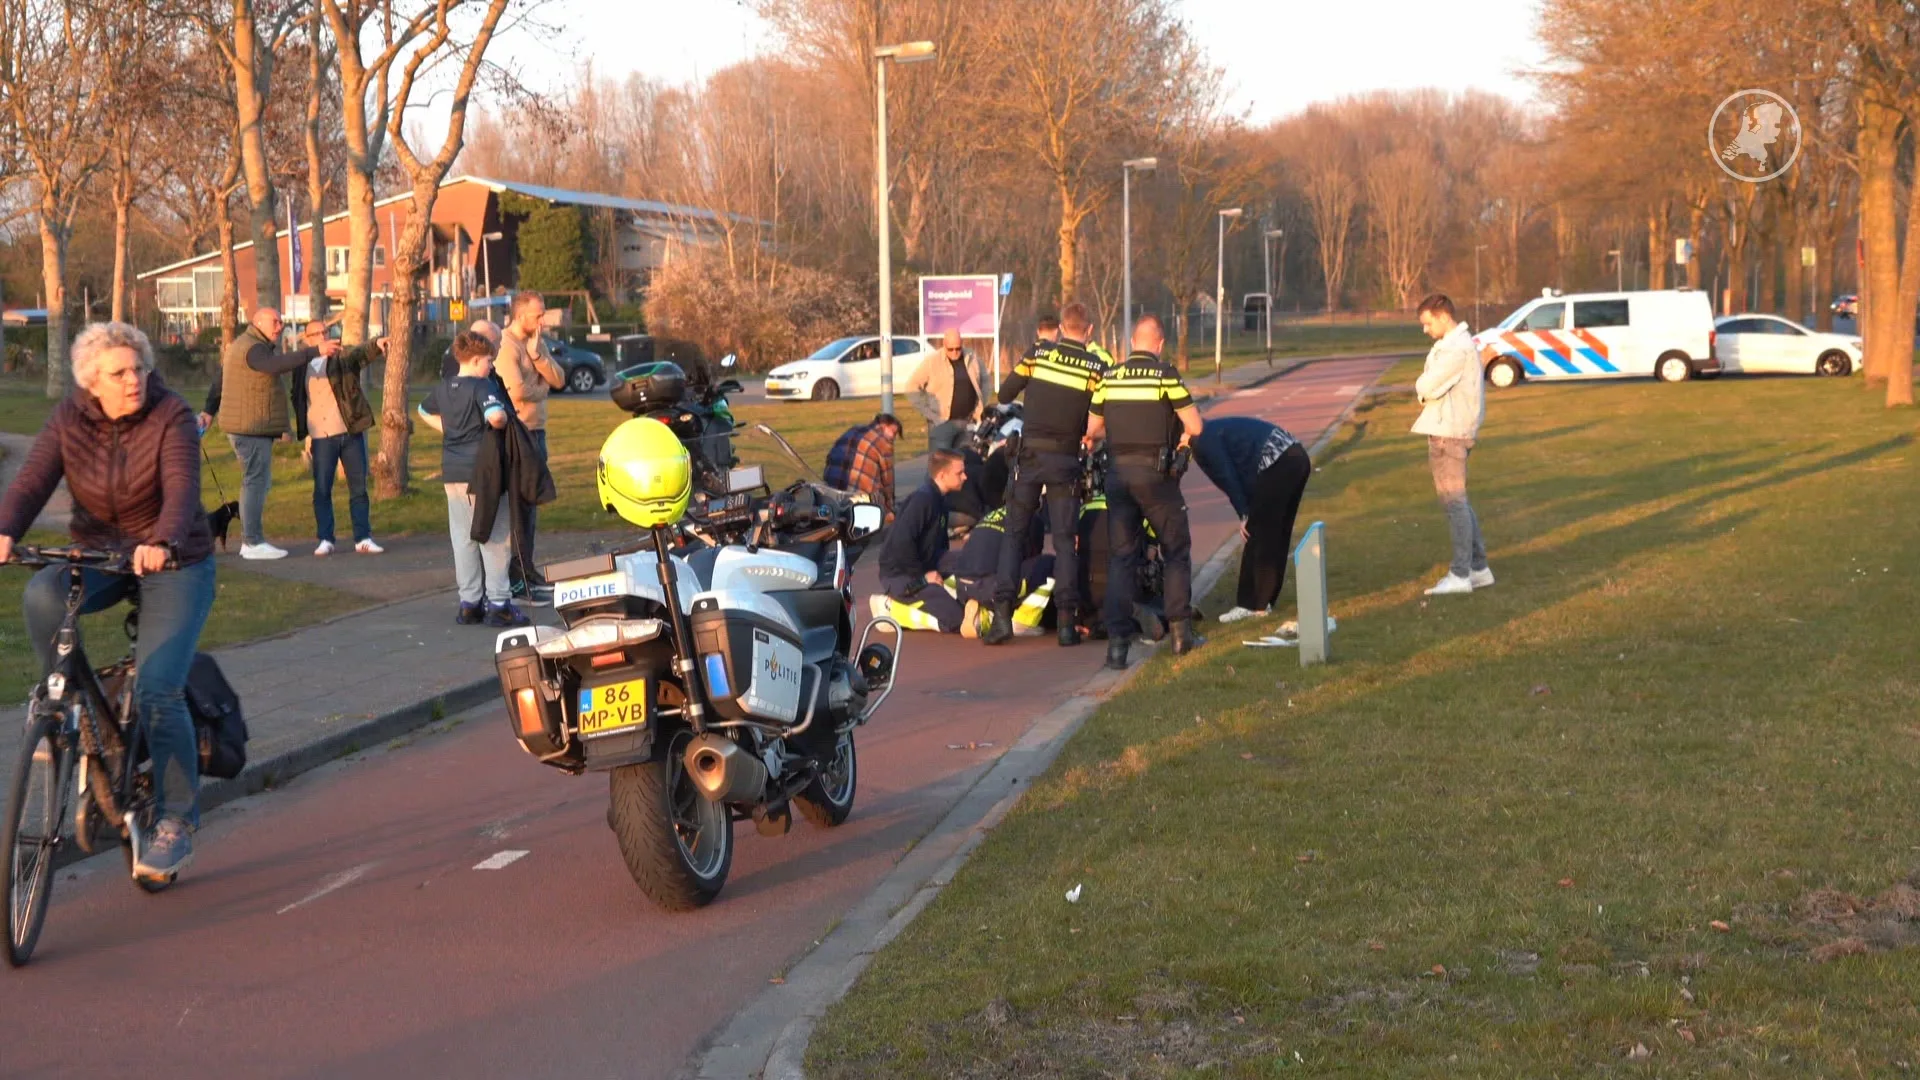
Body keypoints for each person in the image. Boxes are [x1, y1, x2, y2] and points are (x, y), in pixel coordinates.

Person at [0, 322, 217, 882]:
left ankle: (175, 819)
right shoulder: (68, 419)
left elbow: (181, 489)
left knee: (159, 687)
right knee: (42, 593)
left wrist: (162, 542)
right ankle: (64, 705)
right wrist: (5, 529)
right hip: (99, 554)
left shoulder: (171, 415)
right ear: (91, 382)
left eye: (139, 369)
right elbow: (31, 481)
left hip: (174, 560)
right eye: (119, 373)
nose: (133, 380)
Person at [983, 302, 1104, 647]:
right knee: (1065, 541)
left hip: (1030, 456)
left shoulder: (1038, 354)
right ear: (1089, 331)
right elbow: (1097, 419)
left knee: (1014, 535)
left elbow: (1006, 394)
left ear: (1062, 328)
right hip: (1066, 459)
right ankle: (1066, 625)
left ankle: (1002, 618)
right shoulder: (1096, 368)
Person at [1088, 314, 1205, 669]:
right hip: (1157, 479)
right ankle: (1181, 635)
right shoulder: (1165, 375)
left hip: (1118, 477)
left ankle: (1117, 647)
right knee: (1175, 550)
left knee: (1122, 559)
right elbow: (1195, 425)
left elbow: (1093, 428)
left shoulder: (1110, 377)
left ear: (1131, 342)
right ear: (1159, 344)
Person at [201, 306, 339, 560]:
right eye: (274, 322)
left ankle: (252, 540)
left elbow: (221, 378)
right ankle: (252, 542)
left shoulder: (244, 346)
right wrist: (314, 351)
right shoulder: (254, 348)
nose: (280, 326)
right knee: (255, 481)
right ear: (258, 323)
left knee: (255, 481)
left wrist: (209, 410)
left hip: (248, 427)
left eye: (281, 322)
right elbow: (275, 365)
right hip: (249, 428)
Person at [418, 331, 529, 628]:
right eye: (489, 361)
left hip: (452, 471)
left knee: (463, 537)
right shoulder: (482, 386)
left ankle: (469, 603)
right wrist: (503, 418)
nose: (491, 367)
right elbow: (496, 416)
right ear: (477, 360)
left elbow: (422, 409)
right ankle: (499, 603)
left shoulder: (445, 386)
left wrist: (449, 429)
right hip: (482, 472)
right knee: (494, 536)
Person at [1191, 416, 1311, 623]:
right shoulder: (1213, 430)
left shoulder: (1203, 440)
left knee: (1258, 534)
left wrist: (1245, 514)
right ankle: (1265, 601)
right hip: (1295, 456)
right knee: (1277, 534)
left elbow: (1227, 476)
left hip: (1278, 463)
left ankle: (1251, 604)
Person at [1412, 292, 1492, 595]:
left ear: (1443, 317)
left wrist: (1422, 386)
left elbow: (1427, 384)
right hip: (1450, 429)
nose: (1425, 330)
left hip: (1449, 433)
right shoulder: (1453, 346)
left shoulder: (1456, 349)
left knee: (1454, 503)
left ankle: (1460, 575)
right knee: (1457, 502)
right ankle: (1479, 568)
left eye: (1428, 323)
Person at [292, 321, 385, 556]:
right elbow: (297, 398)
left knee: (358, 488)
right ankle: (326, 538)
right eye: (317, 333)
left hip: (349, 432)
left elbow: (359, 354)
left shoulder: (341, 357)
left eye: (326, 331)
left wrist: (376, 345)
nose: (324, 336)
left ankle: (363, 538)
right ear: (307, 339)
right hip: (321, 437)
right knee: (322, 489)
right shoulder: (301, 365)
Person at [494, 293, 565, 601]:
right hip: (519, 435)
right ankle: (517, 575)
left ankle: (528, 567)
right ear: (520, 315)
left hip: (538, 432)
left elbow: (559, 379)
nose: (542, 321)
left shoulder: (536, 342)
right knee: (519, 507)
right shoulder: (506, 346)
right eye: (537, 315)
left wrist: (538, 357)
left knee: (532, 505)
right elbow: (517, 392)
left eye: (543, 314)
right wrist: (541, 387)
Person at [873, 450, 969, 633]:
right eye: (959, 473)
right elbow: (900, 544)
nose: (965, 477)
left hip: (926, 562)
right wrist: (923, 578)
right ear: (942, 475)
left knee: (970, 561)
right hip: (901, 574)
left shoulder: (940, 498)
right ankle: (892, 609)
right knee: (958, 620)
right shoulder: (923, 500)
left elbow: (939, 546)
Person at [939, 504, 1050, 639]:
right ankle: (1023, 622)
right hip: (993, 587)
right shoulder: (1032, 519)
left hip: (962, 586)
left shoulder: (991, 515)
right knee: (1049, 565)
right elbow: (1032, 558)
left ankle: (983, 615)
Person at [903, 328, 984, 452]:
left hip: (967, 423)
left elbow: (982, 384)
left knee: (965, 461)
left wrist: (979, 412)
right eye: (950, 349)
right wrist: (930, 414)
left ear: (962, 344)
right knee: (940, 461)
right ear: (944, 345)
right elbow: (911, 387)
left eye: (958, 348)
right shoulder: (932, 362)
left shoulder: (971, 358)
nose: (955, 352)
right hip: (941, 424)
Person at [823, 413, 903, 521]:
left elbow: (830, 458)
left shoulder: (853, 430)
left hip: (832, 494)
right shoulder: (884, 442)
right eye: (894, 432)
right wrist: (889, 509)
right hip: (860, 500)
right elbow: (887, 481)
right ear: (884, 425)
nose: (893, 437)